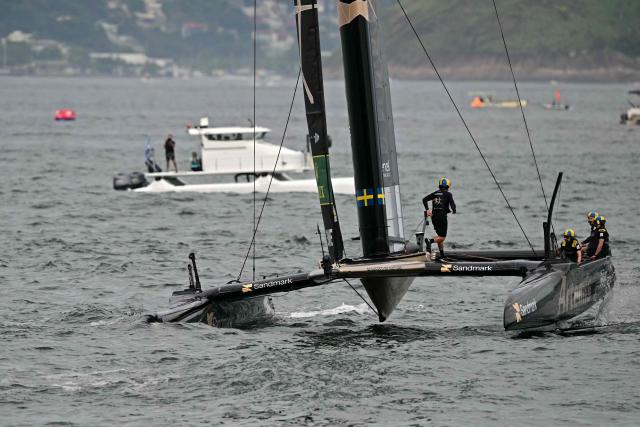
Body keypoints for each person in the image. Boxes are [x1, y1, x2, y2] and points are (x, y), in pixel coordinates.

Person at [422, 177, 456, 258]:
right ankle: (430, 241)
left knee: (439, 236)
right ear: (448, 186)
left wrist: (427, 210)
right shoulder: (448, 194)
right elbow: (452, 204)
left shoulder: (435, 193)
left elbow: (424, 200)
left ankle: (442, 255)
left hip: (434, 217)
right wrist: (454, 210)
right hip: (442, 216)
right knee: (442, 237)